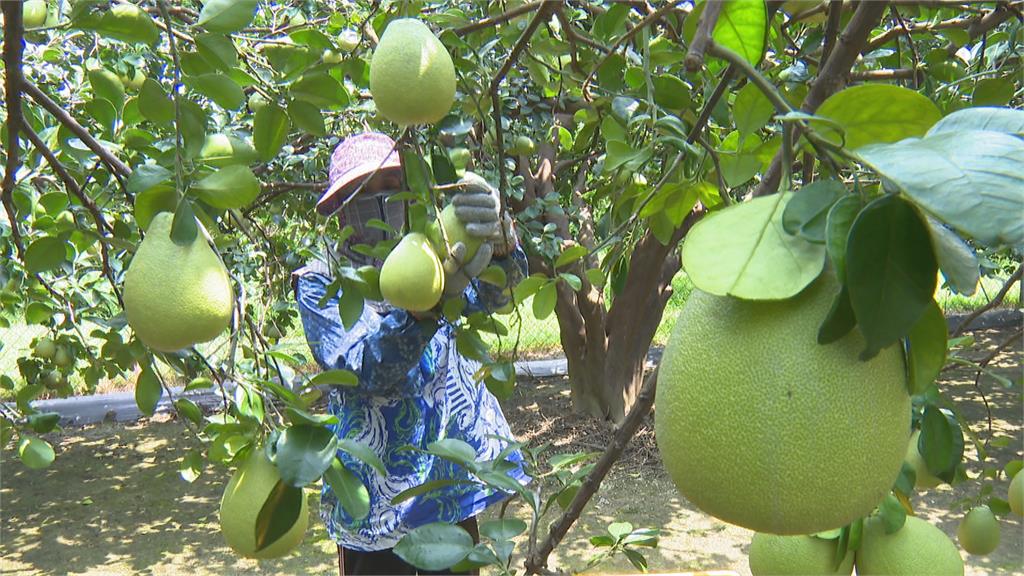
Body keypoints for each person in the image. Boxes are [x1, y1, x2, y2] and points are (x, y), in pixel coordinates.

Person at [292, 132, 529, 575]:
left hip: (447, 486)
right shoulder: (321, 282)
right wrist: (424, 312)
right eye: (363, 193)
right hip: (373, 504)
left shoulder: (435, 248)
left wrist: (501, 247)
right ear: (338, 209)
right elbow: (359, 367)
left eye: (391, 187)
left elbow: (496, 297)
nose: (380, 202)